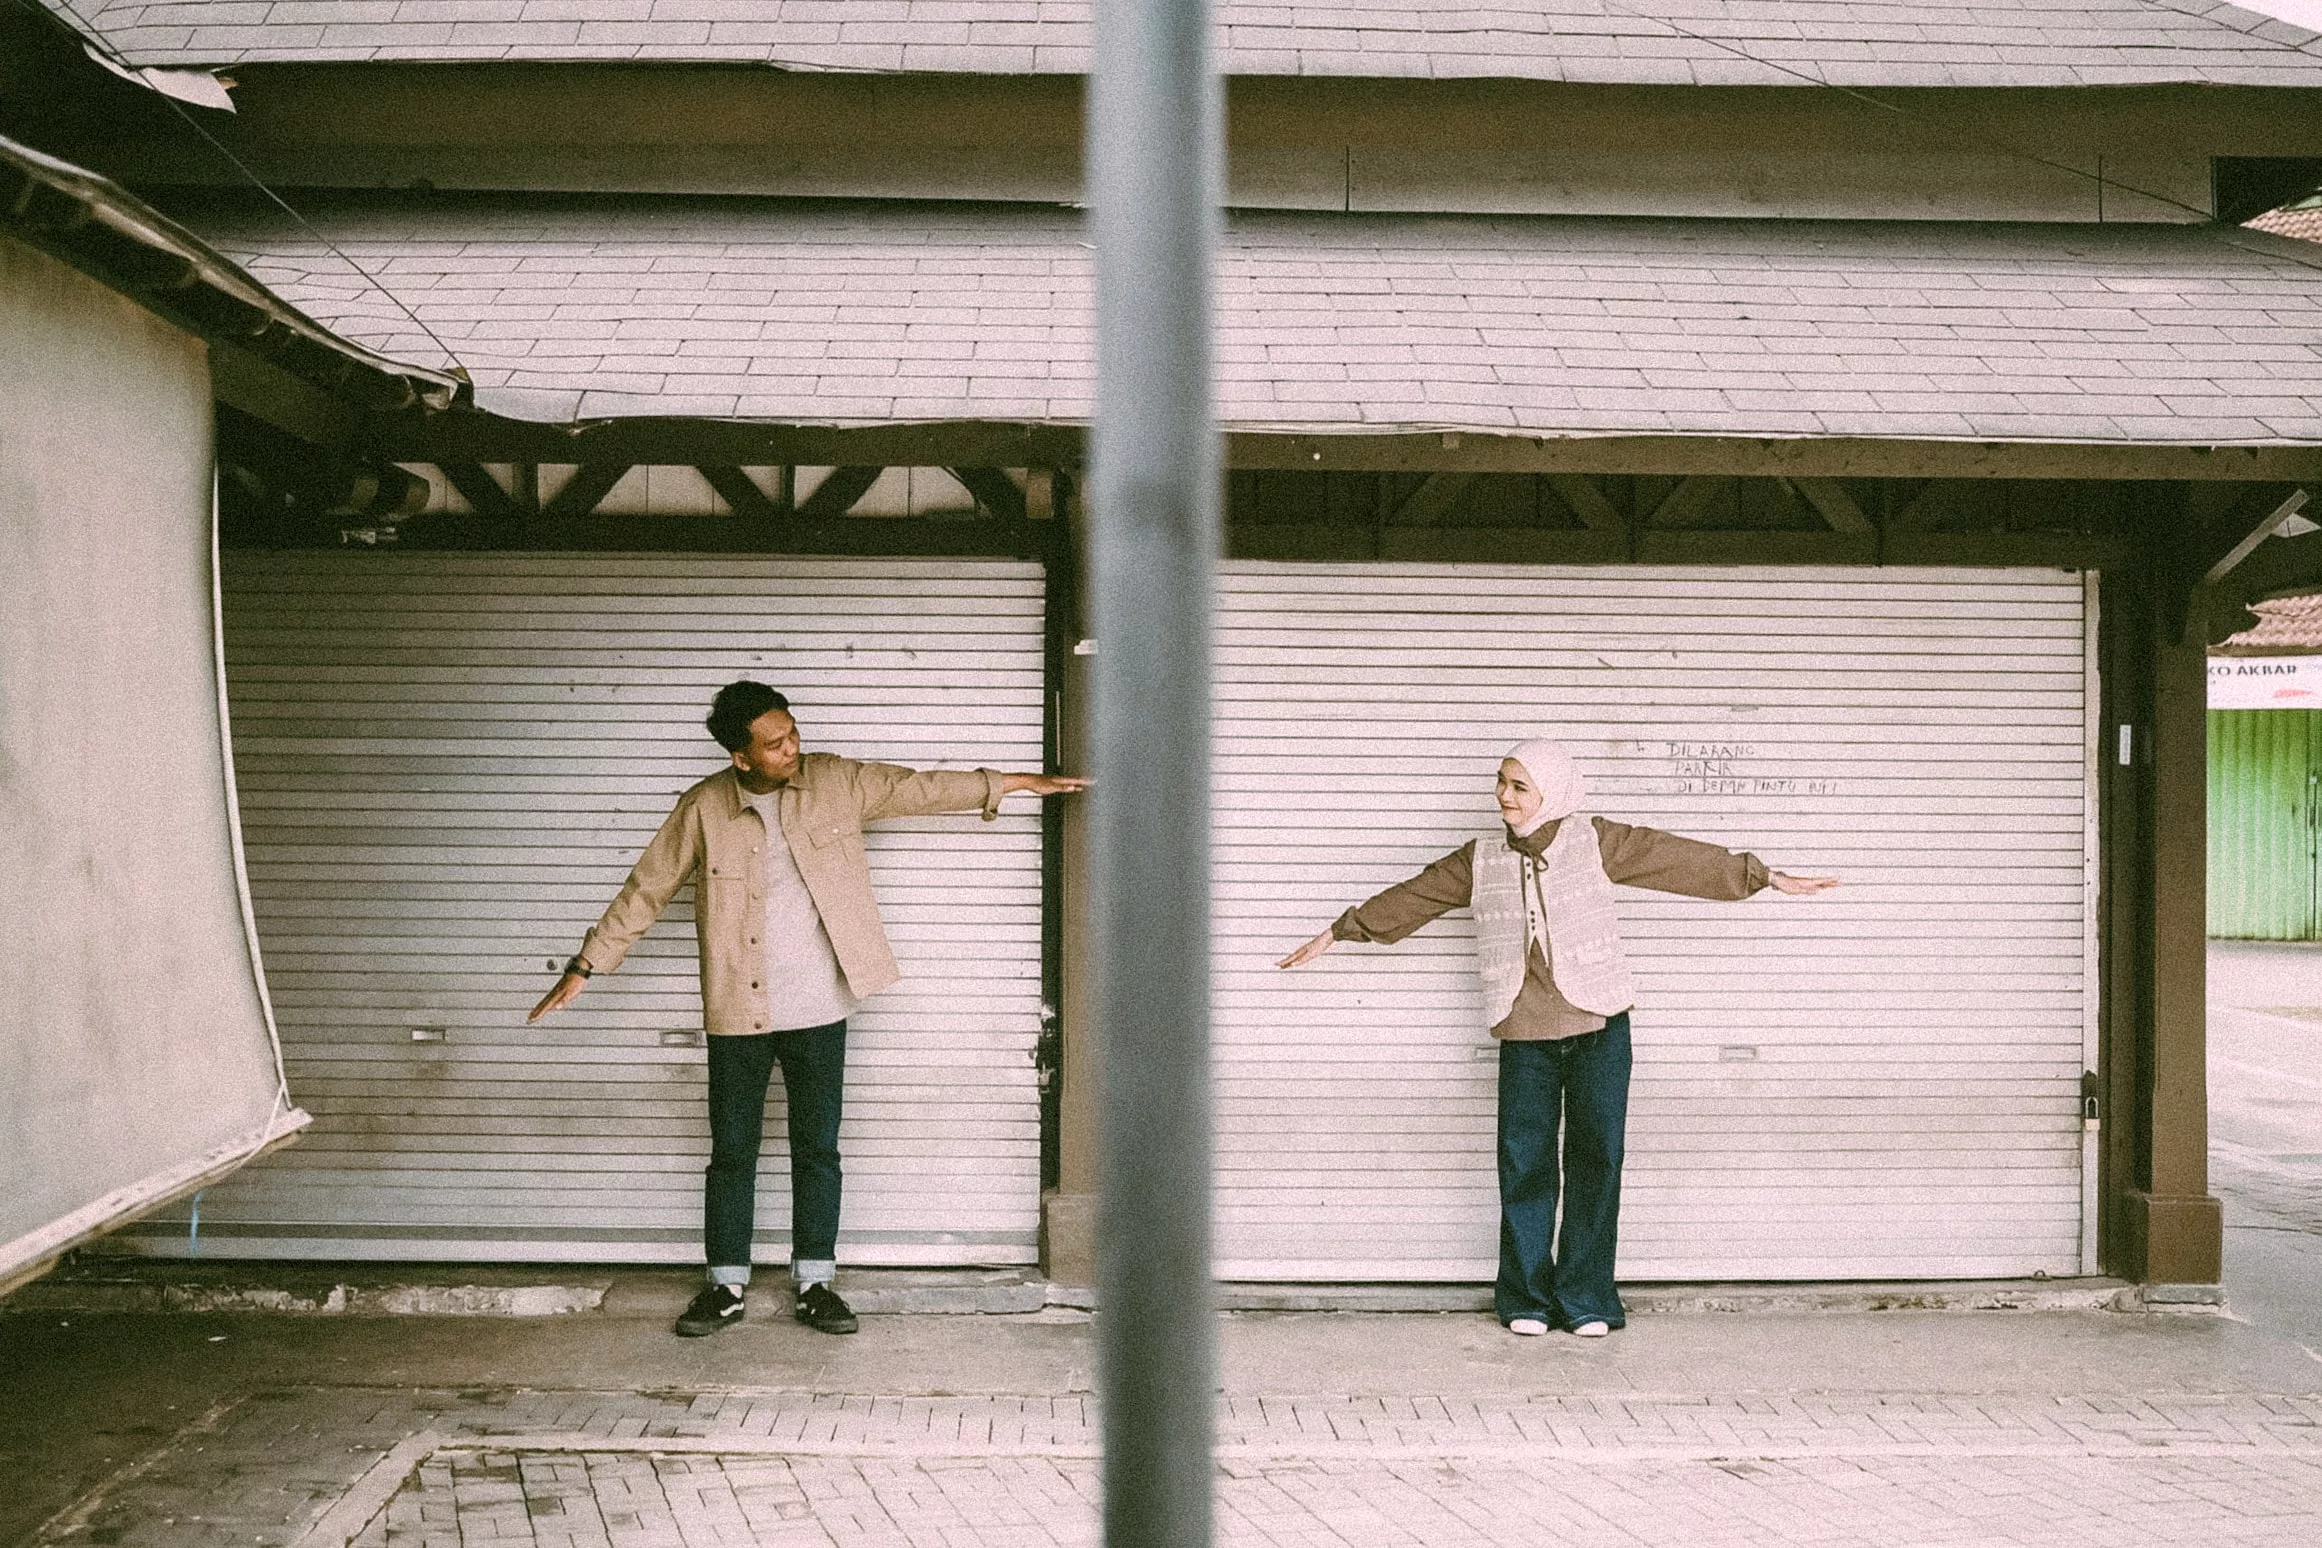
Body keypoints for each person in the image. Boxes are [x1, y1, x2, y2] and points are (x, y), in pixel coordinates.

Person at [529, 680, 1087, 1338]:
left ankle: (816, 1283)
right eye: (775, 743)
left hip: (820, 1006)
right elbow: (646, 888)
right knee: (731, 1153)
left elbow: (921, 788)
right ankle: (724, 1285)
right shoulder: (703, 807)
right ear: (741, 757)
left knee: (817, 1150)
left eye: (793, 733)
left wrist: (1015, 784)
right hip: (738, 1008)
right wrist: (587, 965)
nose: (792, 747)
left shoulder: (835, 782)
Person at [1278, 738, 1836, 1338]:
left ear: (1553, 791)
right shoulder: (1480, 858)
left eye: (1519, 786)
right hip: (1525, 1035)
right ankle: (1526, 1298)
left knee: (1597, 1161)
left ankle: (1587, 1299)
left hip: (1600, 1029)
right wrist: (1340, 931)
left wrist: (1763, 876)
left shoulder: (1594, 840)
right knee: (1525, 1166)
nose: (1503, 796)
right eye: (1501, 782)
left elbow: (1675, 858)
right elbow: (1414, 896)